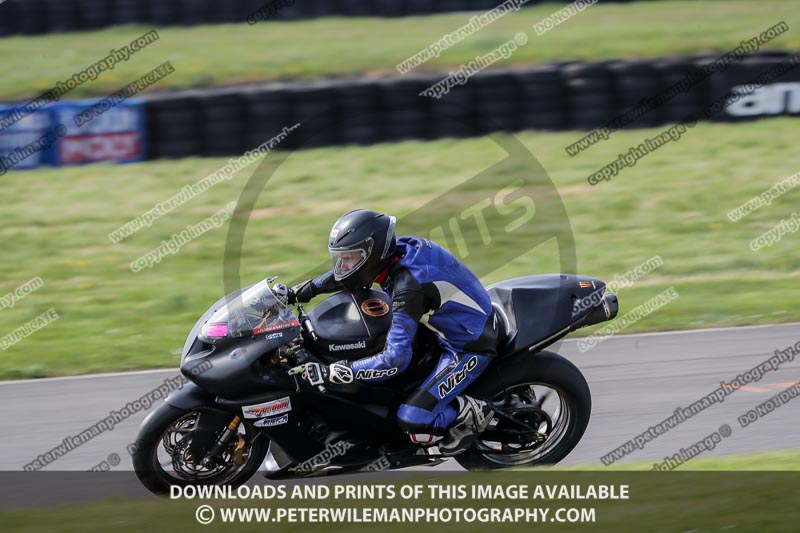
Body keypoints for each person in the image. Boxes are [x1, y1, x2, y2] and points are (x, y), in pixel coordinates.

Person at [287, 209, 499, 456]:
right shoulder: (399, 250)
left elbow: (395, 359)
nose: (342, 266)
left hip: (467, 344)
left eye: (349, 259)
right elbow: (347, 276)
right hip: (439, 321)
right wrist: (301, 291)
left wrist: (339, 371)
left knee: (413, 417)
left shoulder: (408, 290)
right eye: (340, 258)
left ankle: (472, 412)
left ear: (373, 254)